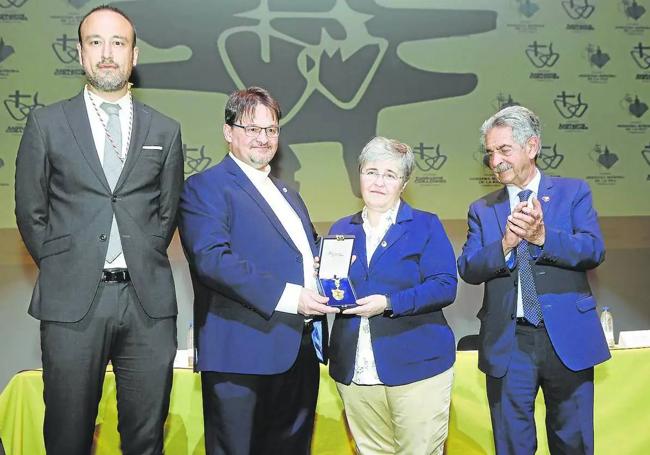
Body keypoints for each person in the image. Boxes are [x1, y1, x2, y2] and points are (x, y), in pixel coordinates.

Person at [14, 5, 183, 455]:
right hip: (71, 305)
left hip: (147, 306)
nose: (107, 54)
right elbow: (31, 212)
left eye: (118, 43)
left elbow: (166, 216)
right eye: (96, 42)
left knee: (146, 438)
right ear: (80, 52)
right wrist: (66, 267)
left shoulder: (165, 131)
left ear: (135, 54)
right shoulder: (46, 124)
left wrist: (138, 255)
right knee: (67, 437)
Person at [178, 86, 339, 455]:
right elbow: (212, 260)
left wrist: (323, 263)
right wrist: (291, 296)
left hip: (298, 352)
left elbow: (305, 254)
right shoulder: (206, 187)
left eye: (271, 129)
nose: (263, 138)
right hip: (241, 356)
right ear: (228, 132)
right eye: (252, 129)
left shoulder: (288, 193)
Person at [457, 105, 610, 455]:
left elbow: (593, 250)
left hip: (567, 339)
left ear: (532, 146)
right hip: (509, 344)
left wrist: (543, 238)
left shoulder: (573, 193)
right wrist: (506, 245)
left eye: (504, 150)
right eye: (491, 153)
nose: (496, 161)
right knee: (512, 445)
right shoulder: (483, 209)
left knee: (573, 441)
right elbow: (468, 267)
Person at [328, 137, 458, 455]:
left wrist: (388, 304)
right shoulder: (340, 229)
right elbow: (333, 293)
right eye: (372, 171)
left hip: (418, 367)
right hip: (355, 369)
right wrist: (321, 279)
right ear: (359, 175)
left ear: (404, 183)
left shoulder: (425, 225)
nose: (379, 181)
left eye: (390, 175)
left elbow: (445, 285)